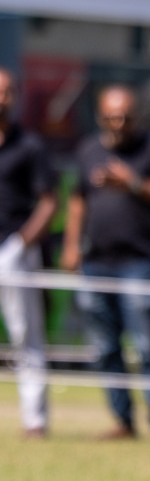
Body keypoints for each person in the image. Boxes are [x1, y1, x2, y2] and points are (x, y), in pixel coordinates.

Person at [64, 84, 150, 441]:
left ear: (136, 117)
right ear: (100, 117)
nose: (118, 124)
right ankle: (123, 421)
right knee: (104, 347)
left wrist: (131, 183)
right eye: (110, 117)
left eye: (125, 117)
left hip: (138, 264)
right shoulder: (88, 150)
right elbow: (78, 200)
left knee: (146, 345)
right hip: (95, 263)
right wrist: (71, 245)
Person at [0, 66, 57, 439]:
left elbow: (49, 203)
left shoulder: (30, 146)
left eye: (5, 92)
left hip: (14, 250)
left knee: (25, 335)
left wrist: (20, 245)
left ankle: (34, 420)